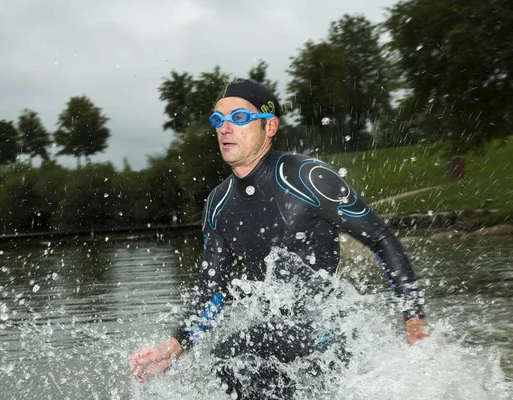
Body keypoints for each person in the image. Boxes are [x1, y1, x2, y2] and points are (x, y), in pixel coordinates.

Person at [129, 78, 430, 398]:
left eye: (240, 118)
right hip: (276, 331)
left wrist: (414, 320)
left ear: (269, 126)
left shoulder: (308, 178)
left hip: (329, 331)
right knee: (232, 362)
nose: (225, 128)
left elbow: (381, 239)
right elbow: (212, 290)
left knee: (232, 356)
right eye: (218, 120)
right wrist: (175, 344)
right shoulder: (218, 203)